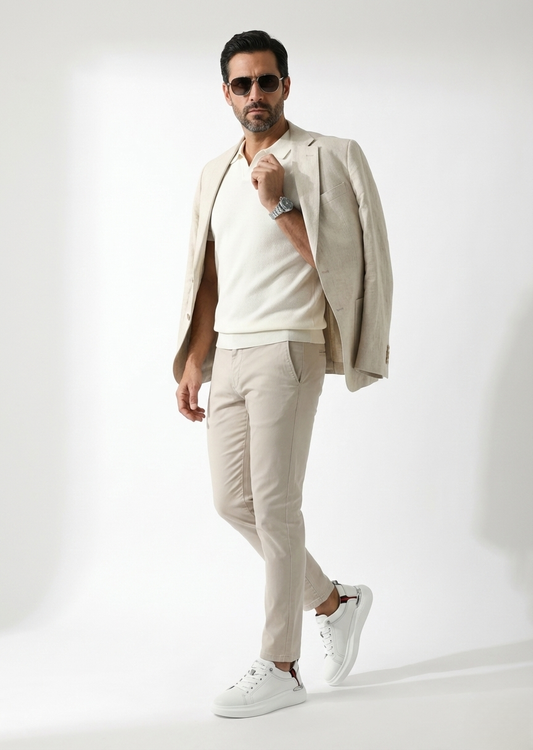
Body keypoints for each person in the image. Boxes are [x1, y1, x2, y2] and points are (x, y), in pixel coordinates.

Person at [174, 30, 392, 718]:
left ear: (286, 86)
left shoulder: (327, 157)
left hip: (289, 346)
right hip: (231, 353)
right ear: (226, 93)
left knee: (274, 505)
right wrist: (194, 358)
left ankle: (281, 665)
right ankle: (334, 603)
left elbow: (348, 269)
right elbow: (208, 274)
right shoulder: (214, 173)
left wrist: (278, 203)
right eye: (242, 84)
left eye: (266, 81)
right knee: (232, 503)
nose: (255, 95)